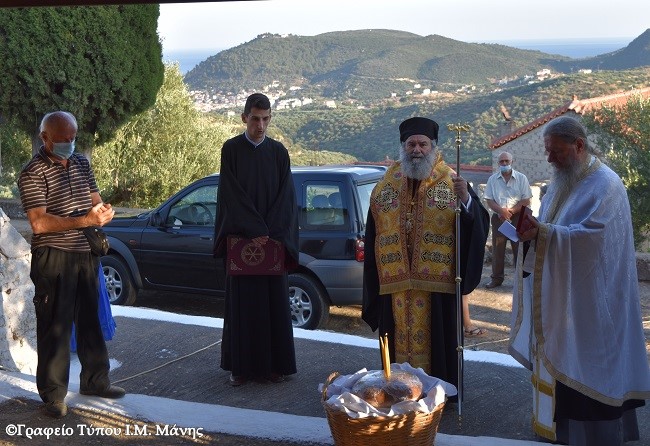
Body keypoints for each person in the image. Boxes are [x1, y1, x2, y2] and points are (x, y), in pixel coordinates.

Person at [510, 116, 650, 445]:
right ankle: (565, 436)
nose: (549, 159)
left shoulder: (607, 185)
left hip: (596, 305)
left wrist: (542, 233)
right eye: (547, 151)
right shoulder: (561, 182)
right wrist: (529, 229)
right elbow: (550, 226)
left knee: (591, 378)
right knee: (564, 375)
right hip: (564, 301)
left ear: (579, 146)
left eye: (555, 151)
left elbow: (593, 241)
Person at [362, 117, 489, 393]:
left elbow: (477, 221)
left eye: (422, 144)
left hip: (436, 288)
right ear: (402, 146)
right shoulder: (386, 185)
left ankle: (438, 394)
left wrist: (466, 200)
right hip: (395, 285)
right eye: (411, 144)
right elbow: (373, 231)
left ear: (433, 146)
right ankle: (397, 392)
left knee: (439, 345)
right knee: (395, 346)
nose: (416, 150)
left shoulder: (450, 180)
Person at [18, 111, 125, 419]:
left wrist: (103, 211)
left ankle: (96, 382)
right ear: (45, 137)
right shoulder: (33, 172)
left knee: (91, 321)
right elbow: (38, 223)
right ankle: (53, 396)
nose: (69, 144)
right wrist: (85, 220)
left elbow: (95, 199)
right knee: (56, 326)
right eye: (63, 139)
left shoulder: (81, 163)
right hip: (53, 257)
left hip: (85, 255)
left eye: (73, 138)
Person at [214, 93, 299, 387]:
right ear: (244, 118)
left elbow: (286, 198)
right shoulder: (231, 150)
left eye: (265, 119)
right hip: (243, 242)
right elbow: (230, 195)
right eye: (255, 119)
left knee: (273, 305)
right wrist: (254, 229)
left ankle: (274, 367)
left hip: (272, 241)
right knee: (242, 306)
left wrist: (269, 232)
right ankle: (240, 368)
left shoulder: (278, 153)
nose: (260, 126)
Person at [483, 151, 532, 288]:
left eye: (507, 161)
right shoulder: (492, 179)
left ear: (512, 162)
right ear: (498, 163)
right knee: (498, 249)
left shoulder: (521, 178)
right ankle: (496, 279)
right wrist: (501, 211)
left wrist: (510, 211)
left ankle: (520, 280)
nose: (504, 164)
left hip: (517, 217)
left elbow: (526, 199)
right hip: (499, 217)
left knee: (519, 249)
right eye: (501, 161)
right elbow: (489, 199)